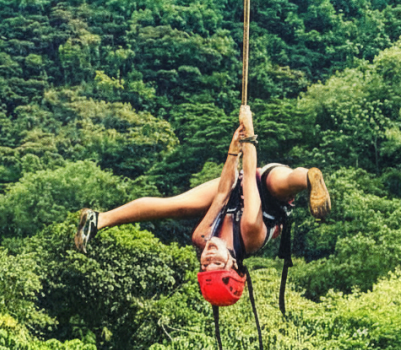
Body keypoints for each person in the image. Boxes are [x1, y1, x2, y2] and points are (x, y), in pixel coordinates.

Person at [74, 105, 330, 304]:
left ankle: (100, 219)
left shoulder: (202, 237)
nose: (208, 258)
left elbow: (222, 194)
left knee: (174, 205)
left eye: (205, 265)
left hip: (231, 196)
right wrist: (249, 133)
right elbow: (251, 175)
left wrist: (233, 152)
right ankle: (309, 178)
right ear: (233, 265)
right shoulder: (251, 234)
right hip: (266, 201)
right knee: (282, 180)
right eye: (216, 264)